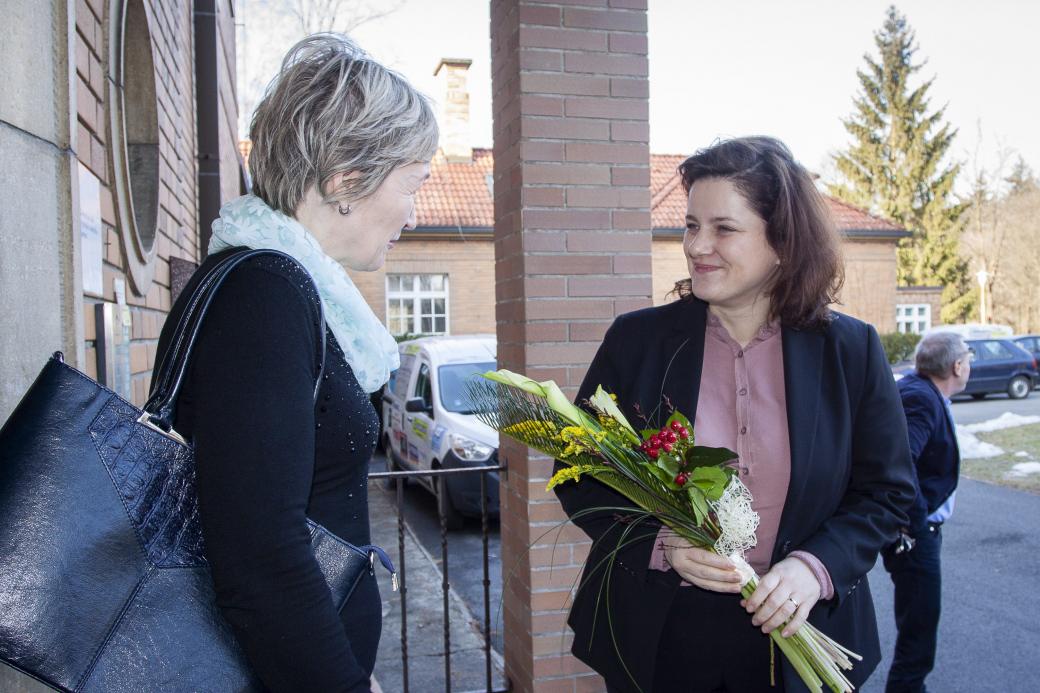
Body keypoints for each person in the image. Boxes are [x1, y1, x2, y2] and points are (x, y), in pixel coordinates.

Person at [553, 137, 916, 693]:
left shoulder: (851, 351)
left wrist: (814, 568)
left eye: (723, 228)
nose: (698, 246)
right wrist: (661, 543)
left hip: (801, 636)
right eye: (690, 225)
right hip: (659, 637)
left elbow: (887, 493)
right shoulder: (637, 342)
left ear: (782, 242)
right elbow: (579, 471)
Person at [151, 35, 437, 692]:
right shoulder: (267, 294)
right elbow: (260, 556)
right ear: (345, 181)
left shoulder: (283, 285)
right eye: (412, 185)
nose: (414, 216)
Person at [882, 332, 969, 692]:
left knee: (918, 630)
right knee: (918, 636)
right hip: (915, 537)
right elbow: (902, 464)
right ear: (957, 366)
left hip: (916, 532)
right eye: (968, 358)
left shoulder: (924, 392)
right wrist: (915, 525)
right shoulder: (920, 398)